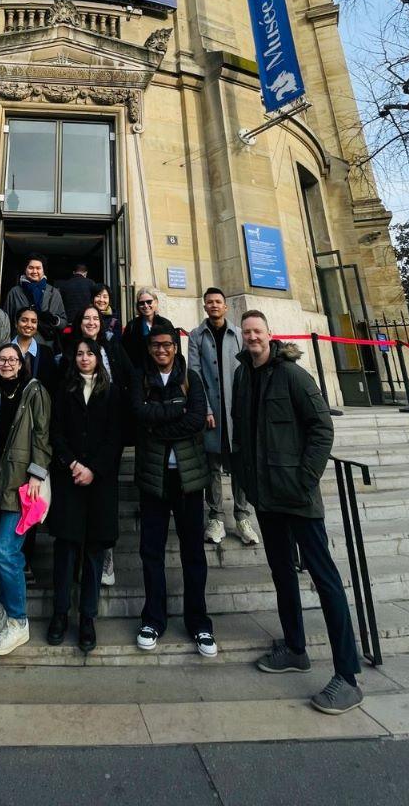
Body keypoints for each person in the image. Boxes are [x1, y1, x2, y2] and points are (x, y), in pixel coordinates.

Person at [232, 310, 362, 715]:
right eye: (247, 332)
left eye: (257, 331)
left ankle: (348, 677)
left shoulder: (292, 375)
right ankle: (294, 648)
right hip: (266, 497)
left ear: (269, 334)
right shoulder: (243, 376)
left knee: (325, 580)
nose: (252, 337)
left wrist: (305, 479)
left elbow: (322, 427)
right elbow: (243, 431)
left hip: (297, 498)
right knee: (282, 573)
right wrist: (247, 479)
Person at [130, 322, 216, 657]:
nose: (161, 350)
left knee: (193, 552)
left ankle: (199, 622)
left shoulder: (190, 378)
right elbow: (139, 415)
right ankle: (153, 618)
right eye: (155, 345)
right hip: (154, 479)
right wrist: (173, 412)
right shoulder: (140, 378)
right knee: (151, 551)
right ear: (149, 348)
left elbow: (195, 420)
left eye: (166, 344)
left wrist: (158, 424)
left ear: (175, 347)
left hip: (188, 479)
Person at [0, 343, 51, 657]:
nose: (7, 363)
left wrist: (36, 475)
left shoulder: (34, 391)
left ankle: (19, 621)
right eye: (2, 359)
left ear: (21, 364)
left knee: (7, 552)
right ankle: (6, 612)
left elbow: (42, 435)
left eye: (12, 359)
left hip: (20, 484)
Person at [47, 338, 122, 653]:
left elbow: (115, 437)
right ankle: (60, 613)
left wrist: (94, 469)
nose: (84, 358)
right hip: (69, 480)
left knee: (93, 553)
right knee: (65, 551)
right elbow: (55, 433)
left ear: (98, 358)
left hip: (99, 484)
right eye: (79, 353)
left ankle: (87, 617)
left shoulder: (112, 392)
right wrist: (73, 464)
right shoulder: (63, 391)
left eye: (90, 353)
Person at [65, 304, 134, 586]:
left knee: (104, 502)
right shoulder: (70, 350)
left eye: (96, 318)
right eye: (86, 318)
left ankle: (106, 558)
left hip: (107, 433)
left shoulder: (113, 346)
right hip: (77, 440)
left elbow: (129, 377)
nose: (91, 322)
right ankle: (78, 561)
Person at [188, 288, 259, 547]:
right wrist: (205, 409)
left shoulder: (239, 334)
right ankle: (216, 516)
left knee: (239, 463)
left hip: (236, 411)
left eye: (218, 302)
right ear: (205, 307)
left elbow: (248, 371)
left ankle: (242, 516)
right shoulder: (196, 336)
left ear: (225, 306)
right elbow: (194, 373)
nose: (214, 305)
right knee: (213, 465)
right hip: (212, 412)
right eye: (210, 302)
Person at [3, 255, 67, 346]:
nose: (34, 271)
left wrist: (54, 320)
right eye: (31, 268)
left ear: (43, 270)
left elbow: (64, 323)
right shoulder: (15, 292)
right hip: (19, 344)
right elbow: (6, 321)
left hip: (45, 344)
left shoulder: (53, 293)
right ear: (25, 269)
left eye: (38, 268)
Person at [121, 287, 177, 370]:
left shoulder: (165, 324)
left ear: (156, 302)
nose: (146, 306)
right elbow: (125, 353)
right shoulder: (132, 326)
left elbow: (173, 350)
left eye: (149, 302)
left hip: (161, 371)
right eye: (141, 303)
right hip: (139, 373)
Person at [11, 305, 58, 397]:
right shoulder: (5, 351)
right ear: (16, 324)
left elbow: (52, 386)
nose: (29, 325)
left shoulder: (46, 353)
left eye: (33, 321)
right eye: (24, 320)